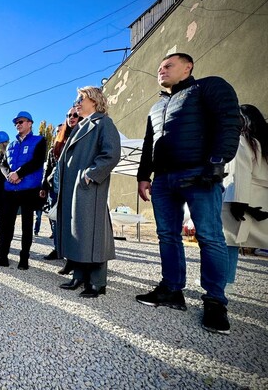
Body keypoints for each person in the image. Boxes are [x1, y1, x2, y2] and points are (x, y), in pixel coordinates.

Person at [135, 53, 241, 335]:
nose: (161, 71)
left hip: (199, 174)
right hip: (163, 180)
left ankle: (215, 301)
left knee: (209, 235)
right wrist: (143, 176)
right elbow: (149, 143)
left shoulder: (208, 87)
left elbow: (229, 121)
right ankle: (171, 289)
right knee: (167, 235)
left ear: (187, 67)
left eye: (168, 66)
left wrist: (217, 162)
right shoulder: (156, 107)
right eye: (158, 68)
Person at [56, 87, 121, 297]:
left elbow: (111, 154)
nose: (76, 102)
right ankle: (79, 276)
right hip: (72, 188)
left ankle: (97, 282)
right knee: (78, 232)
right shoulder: (79, 126)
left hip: (89, 187)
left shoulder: (103, 123)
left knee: (94, 233)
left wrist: (90, 175)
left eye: (80, 99)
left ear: (93, 100)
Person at [0, 111, 46, 270]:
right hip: (11, 189)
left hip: (29, 189)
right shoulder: (11, 145)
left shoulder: (39, 140)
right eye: (16, 123)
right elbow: (3, 165)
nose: (18, 125)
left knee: (27, 225)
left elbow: (37, 162)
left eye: (21, 122)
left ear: (30, 123)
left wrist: (19, 173)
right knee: (5, 224)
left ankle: (24, 257)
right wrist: (10, 176)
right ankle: (2, 256)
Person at [221, 104, 268, 288]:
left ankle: (224, 283)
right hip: (262, 199)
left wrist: (237, 201)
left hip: (242, 199)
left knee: (229, 241)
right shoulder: (263, 142)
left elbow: (239, 172)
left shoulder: (242, 140)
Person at [44, 108, 82, 270]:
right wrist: (44, 186)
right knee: (56, 221)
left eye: (75, 115)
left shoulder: (82, 137)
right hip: (56, 188)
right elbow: (49, 168)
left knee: (72, 223)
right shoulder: (57, 146)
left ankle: (73, 257)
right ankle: (58, 249)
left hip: (74, 187)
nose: (71, 118)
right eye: (68, 115)